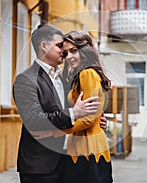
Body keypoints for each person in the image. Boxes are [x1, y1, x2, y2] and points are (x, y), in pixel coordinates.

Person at [12, 24, 102, 183]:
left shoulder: (65, 77)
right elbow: (34, 119)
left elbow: (82, 104)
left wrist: (95, 120)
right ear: (44, 46)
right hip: (40, 166)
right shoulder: (25, 79)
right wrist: (74, 113)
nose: (64, 51)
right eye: (60, 46)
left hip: (68, 160)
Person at [60, 31, 113, 183]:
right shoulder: (79, 75)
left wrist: (58, 130)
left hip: (88, 148)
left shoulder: (87, 73)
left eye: (74, 51)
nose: (69, 57)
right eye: (66, 53)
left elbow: (89, 118)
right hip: (86, 145)